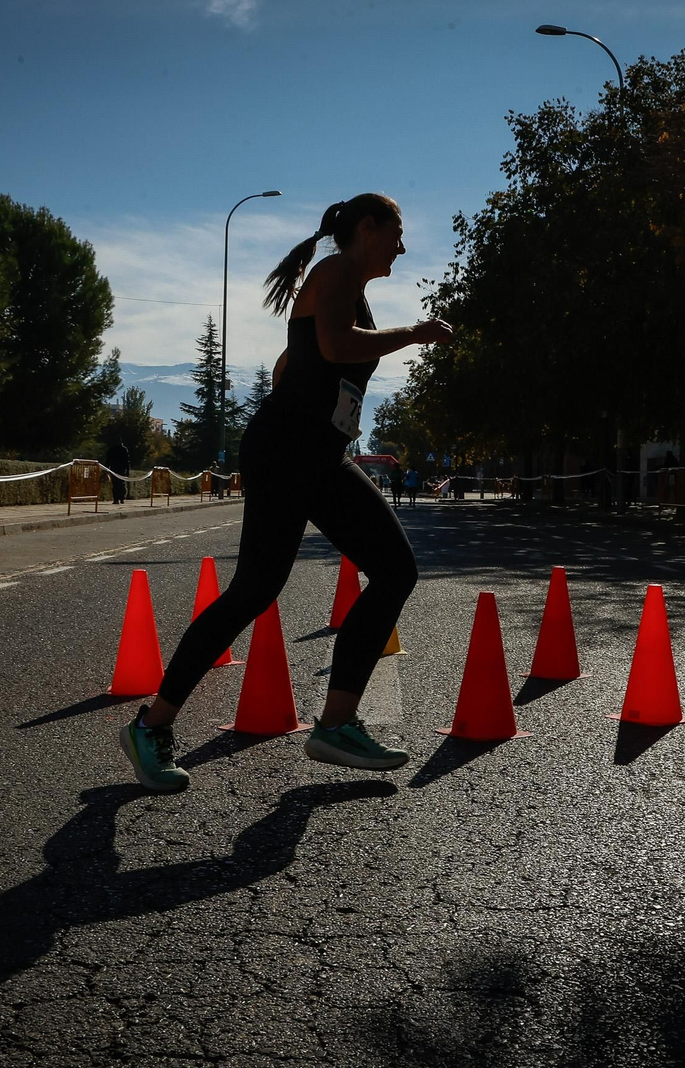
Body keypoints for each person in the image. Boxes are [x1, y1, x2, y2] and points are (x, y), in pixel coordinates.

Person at [119, 194, 453, 792]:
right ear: (368, 227)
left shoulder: (346, 285)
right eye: (397, 233)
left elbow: (294, 361)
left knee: (394, 570)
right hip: (290, 454)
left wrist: (306, 403)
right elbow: (335, 346)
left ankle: (336, 726)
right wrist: (415, 334)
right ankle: (151, 726)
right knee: (254, 590)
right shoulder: (336, 271)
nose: (402, 247)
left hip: (315, 454)